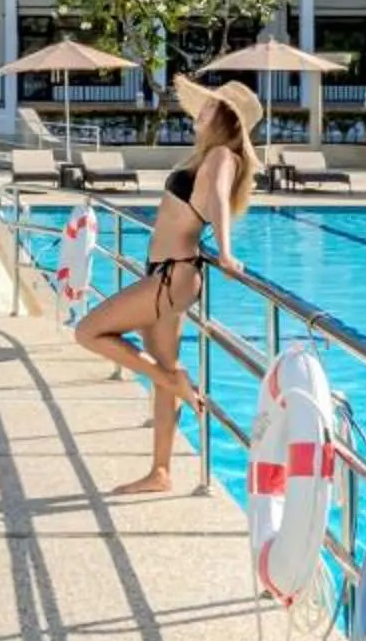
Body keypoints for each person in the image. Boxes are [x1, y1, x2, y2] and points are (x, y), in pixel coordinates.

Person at [72, 75, 262, 496]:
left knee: (88, 331)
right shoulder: (208, 154)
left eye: (211, 106)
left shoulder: (220, 157)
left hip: (174, 274)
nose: (202, 111)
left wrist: (227, 251)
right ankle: (161, 471)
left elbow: (215, 199)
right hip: (166, 271)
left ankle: (176, 383)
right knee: (162, 374)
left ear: (227, 118)